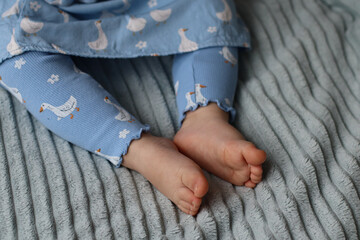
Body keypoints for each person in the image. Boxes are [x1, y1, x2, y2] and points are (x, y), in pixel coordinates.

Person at [0, 0, 266, 215]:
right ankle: (138, 148)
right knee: (14, 52)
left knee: (209, 7)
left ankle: (205, 118)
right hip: (40, 10)